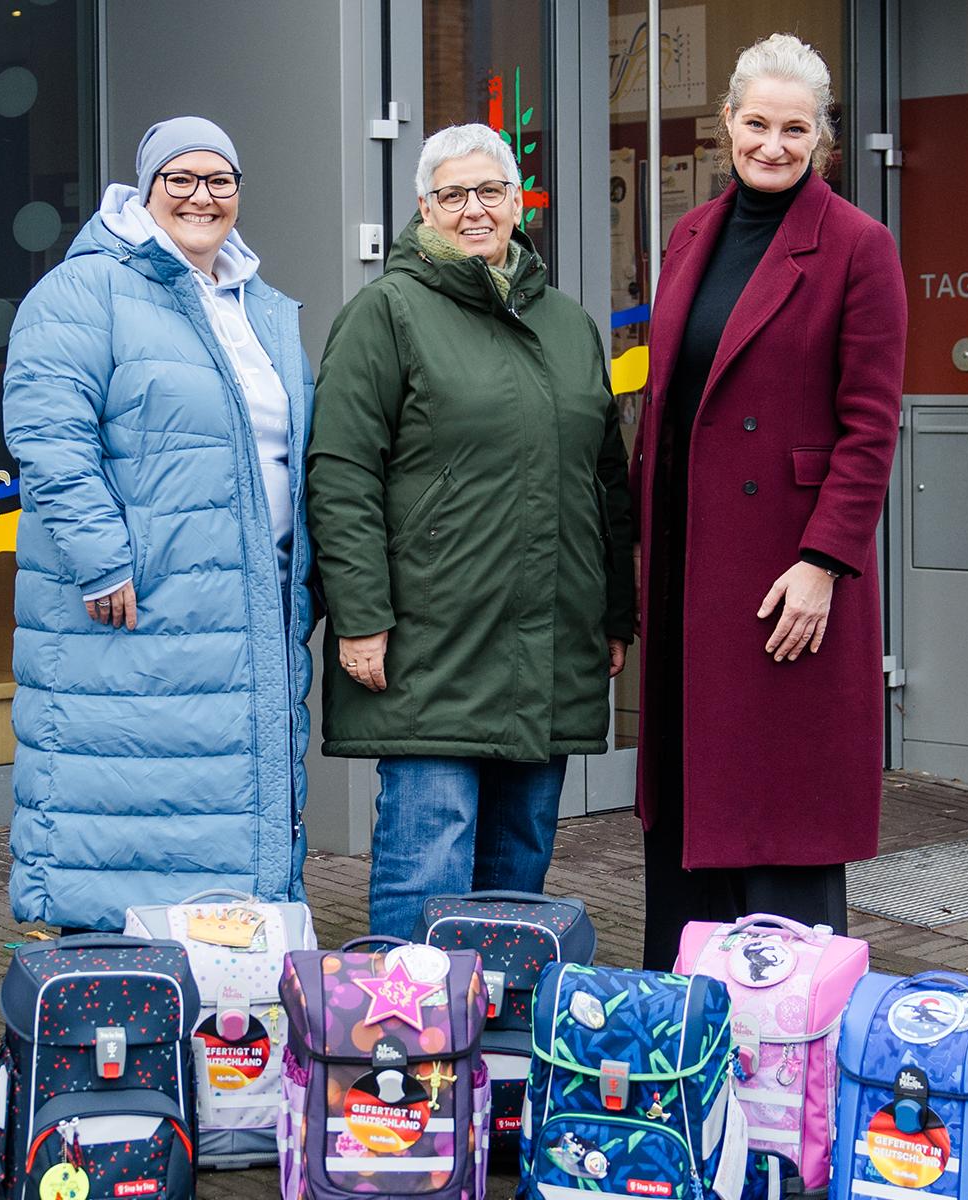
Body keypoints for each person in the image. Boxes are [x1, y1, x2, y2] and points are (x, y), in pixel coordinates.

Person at [309, 123, 637, 939]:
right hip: (431, 643)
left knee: (518, 870)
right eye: (452, 195)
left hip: (548, 639)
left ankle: (501, 1051)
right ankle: (404, 1049)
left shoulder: (568, 324)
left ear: (518, 201)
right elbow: (342, 473)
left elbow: (605, 480)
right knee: (429, 863)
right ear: (424, 208)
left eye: (490, 191)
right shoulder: (385, 314)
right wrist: (360, 617)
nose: (474, 210)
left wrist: (615, 614)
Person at [2, 116, 315, 933]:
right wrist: (103, 559)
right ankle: (117, 989)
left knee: (217, 793)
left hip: (248, 601)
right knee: (130, 790)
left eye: (220, 180)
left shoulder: (261, 307)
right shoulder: (85, 291)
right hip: (139, 598)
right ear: (145, 190)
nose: (200, 196)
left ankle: (224, 996)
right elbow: (47, 431)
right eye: (179, 178)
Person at [633, 35, 906, 969]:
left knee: (780, 826)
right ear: (728, 126)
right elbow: (671, 407)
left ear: (822, 139)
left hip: (788, 578)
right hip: (689, 569)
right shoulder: (689, 236)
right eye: (758, 123)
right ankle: (683, 1051)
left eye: (796, 128)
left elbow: (871, 427)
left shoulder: (859, 249)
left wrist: (825, 561)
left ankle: (790, 1049)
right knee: (687, 818)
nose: (774, 145)